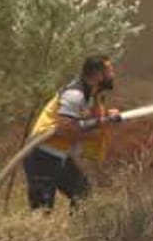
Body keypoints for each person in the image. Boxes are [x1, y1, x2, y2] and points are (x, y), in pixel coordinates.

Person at [23, 55, 123, 212]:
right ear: (97, 74)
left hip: (58, 155)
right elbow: (65, 129)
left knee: (83, 194)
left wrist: (107, 116)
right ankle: (38, 235)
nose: (113, 75)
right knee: (42, 210)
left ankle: (76, 233)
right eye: (109, 71)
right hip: (41, 155)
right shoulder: (75, 95)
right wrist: (95, 132)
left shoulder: (91, 94)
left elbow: (86, 118)